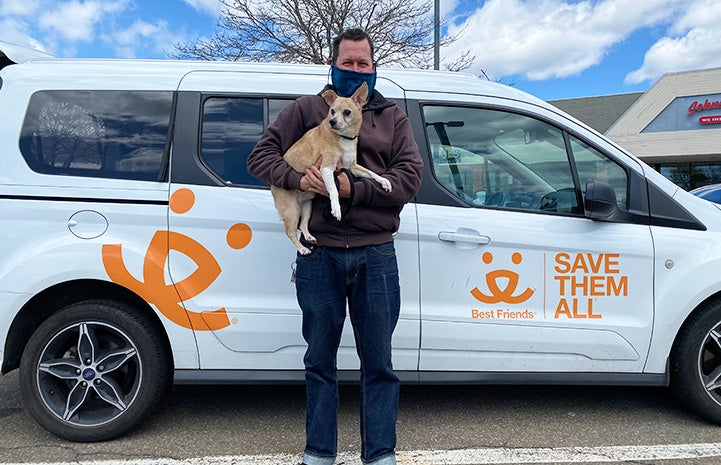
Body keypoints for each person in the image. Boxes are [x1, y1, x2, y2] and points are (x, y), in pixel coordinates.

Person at [247, 28, 423, 465]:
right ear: (333, 65)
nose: (355, 70)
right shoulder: (306, 110)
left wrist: (350, 190)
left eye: (363, 64)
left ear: (373, 70)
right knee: (319, 361)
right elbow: (259, 157)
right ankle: (318, 453)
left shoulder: (393, 118)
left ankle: (380, 454)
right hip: (320, 253)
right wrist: (296, 177)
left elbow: (409, 179)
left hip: (377, 252)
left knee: (379, 364)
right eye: (348, 62)